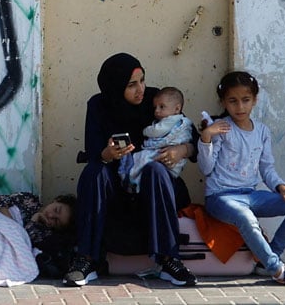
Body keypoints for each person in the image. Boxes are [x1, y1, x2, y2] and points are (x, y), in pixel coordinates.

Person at [63, 52, 197, 288]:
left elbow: (188, 133)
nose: (141, 89)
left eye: (142, 80)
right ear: (115, 86)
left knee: (155, 170)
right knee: (94, 172)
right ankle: (86, 260)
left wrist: (182, 150)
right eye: (132, 85)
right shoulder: (99, 105)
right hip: (116, 185)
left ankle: (169, 260)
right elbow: (93, 150)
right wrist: (108, 154)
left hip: (153, 185)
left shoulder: (156, 100)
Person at [197, 71, 285, 287]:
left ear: (254, 100)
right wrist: (207, 136)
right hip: (221, 197)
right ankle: (278, 270)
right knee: (246, 218)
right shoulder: (222, 129)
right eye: (232, 101)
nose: (240, 107)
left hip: (250, 195)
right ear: (223, 102)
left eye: (245, 100)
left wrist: (281, 186)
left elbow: (266, 167)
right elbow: (206, 169)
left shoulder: (262, 131)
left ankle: (268, 259)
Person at [120, 86, 194, 191]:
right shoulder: (99, 106)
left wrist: (184, 149)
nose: (156, 111)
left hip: (166, 164)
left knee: (142, 160)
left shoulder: (172, 120)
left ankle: (131, 180)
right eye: (132, 84)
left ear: (177, 109)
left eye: (161, 107)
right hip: (165, 170)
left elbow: (157, 130)